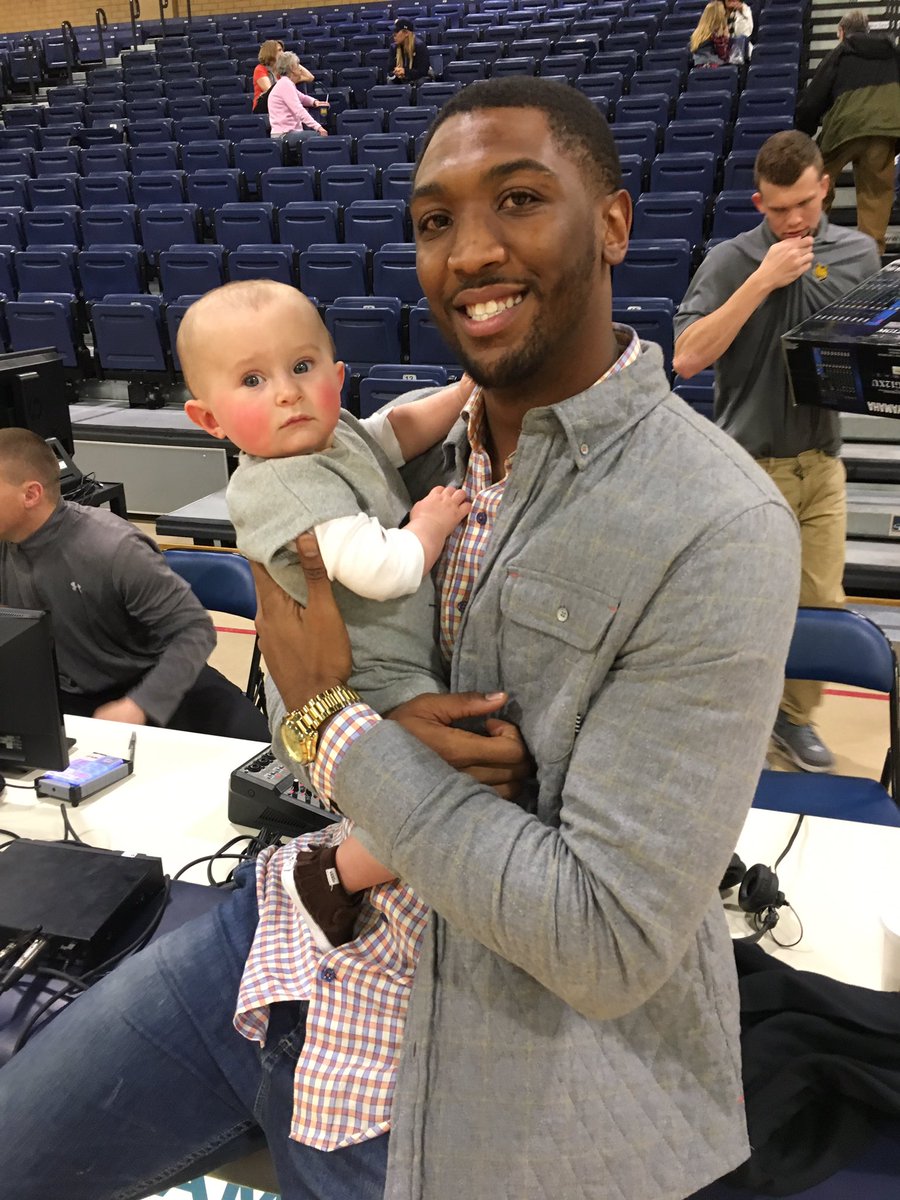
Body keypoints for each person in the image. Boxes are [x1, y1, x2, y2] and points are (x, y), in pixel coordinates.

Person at [0, 79, 800, 1200]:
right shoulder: (382, 452)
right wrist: (320, 721)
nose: (470, 251)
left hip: (483, 1043)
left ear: (614, 223)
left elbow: (606, 941)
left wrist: (338, 733)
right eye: (434, 220)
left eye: (520, 199)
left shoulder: (717, 523)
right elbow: (296, 694)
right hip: (293, 921)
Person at [179, 280, 473, 949]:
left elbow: (392, 435)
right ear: (209, 420)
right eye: (253, 380)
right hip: (356, 686)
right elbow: (383, 569)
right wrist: (428, 525)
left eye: (302, 367)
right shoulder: (281, 482)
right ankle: (330, 876)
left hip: (388, 663)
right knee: (440, 795)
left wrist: (460, 394)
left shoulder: (327, 434)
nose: (287, 392)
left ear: (337, 378)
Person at [674, 129, 880, 772]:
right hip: (748, 468)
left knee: (820, 603)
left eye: (805, 204)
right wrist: (762, 281)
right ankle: (729, 721)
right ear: (759, 202)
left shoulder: (859, 254)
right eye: (780, 208)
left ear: (825, 189)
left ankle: (793, 718)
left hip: (822, 464)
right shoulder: (731, 259)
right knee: (739, 608)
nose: (794, 221)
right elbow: (687, 358)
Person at [0, 428, 269, 740]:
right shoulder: (7, 542)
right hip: (70, 695)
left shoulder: (112, 547)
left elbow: (195, 631)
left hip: (153, 687)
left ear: (31, 494)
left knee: (261, 751)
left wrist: (139, 705)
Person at [795, 9, 900, 254]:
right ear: (867, 30)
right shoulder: (893, 53)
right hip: (884, 130)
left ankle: (808, 244)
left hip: (843, 128)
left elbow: (813, 100)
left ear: (841, 32)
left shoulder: (840, 53)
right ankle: (870, 256)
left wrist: (804, 131)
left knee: (819, 182)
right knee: (876, 195)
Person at [268, 50, 327, 158]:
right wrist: (318, 127)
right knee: (319, 136)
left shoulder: (286, 83)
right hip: (284, 135)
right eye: (298, 64)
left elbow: (302, 97)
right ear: (291, 68)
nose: (300, 68)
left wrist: (315, 102)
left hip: (289, 133)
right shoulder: (285, 84)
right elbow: (298, 109)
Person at [388, 18, 432, 84]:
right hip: (400, 80)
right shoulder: (393, 47)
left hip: (417, 79)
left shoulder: (419, 46)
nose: (394, 35)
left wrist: (405, 72)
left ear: (406, 33)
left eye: (396, 31)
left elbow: (423, 71)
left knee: (422, 81)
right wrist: (396, 73)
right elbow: (390, 70)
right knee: (390, 82)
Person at [690, 1, 731, 66]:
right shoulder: (716, 33)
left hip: (699, 67)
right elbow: (723, 55)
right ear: (720, 16)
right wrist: (726, 37)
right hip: (712, 67)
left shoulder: (698, 33)